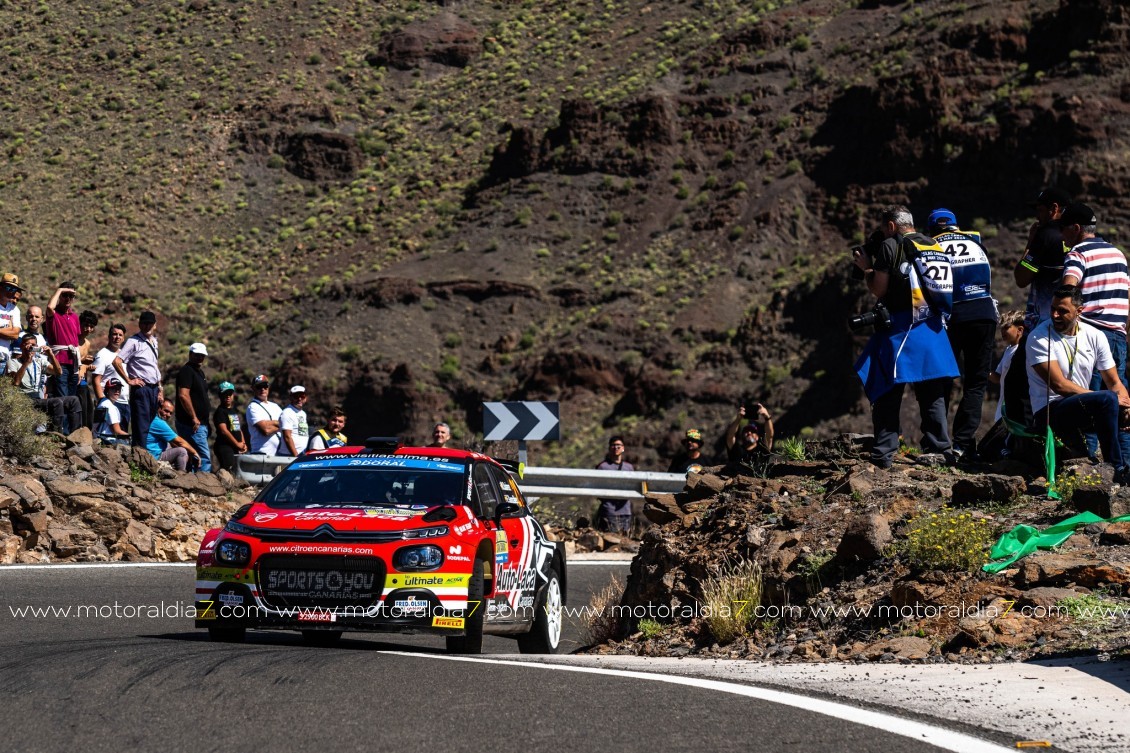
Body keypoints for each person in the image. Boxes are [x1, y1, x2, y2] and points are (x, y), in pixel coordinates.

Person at [853, 205, 960, 468]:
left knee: (887, 388)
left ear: (891, 226)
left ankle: (884, 452)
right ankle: (939, 448)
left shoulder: (891, 245)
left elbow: (879, 289)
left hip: (903, 328)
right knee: (931, 390)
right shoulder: (933, 246)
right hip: (933, 327)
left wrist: (867, 268)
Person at [1025, 285, 1130, 482]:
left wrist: (1126, 406)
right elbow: (1060, 385)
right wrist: (1108, 399)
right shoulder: (1039, 337)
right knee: (1107, 399)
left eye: (1062, 311)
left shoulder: (1095, 335)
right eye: (1053, 309)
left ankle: (1122, 467)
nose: (1055, 315)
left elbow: (1114, 381)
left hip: (1081, 406)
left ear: (1079, 311)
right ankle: (1117, 469)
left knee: (1116, 404)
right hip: (1049, 410)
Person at [1059, 202, 1130, 463]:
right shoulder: (1118, 254)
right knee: (1120, 401)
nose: (1061, 235)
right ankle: (1124, 467)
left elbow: (1069, 290)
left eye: (1063, 228)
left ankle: (1086, 466)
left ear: (1076, 228)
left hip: (1089, 335)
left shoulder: (1078, 254)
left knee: (1087, 401)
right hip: (1117, 334)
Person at [929, 208, 998, 461]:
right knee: (976, 383)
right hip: (983, 313)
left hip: (950, 316)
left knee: (941, 379)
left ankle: (937, 443)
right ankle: (963, 443)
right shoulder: (975, 242)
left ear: (933, 229)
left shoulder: (930, 245)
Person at [1015, 188, 1070, 329]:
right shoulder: (1078, 236)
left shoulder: (1046, 235)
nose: (1037, 217)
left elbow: (1021, 279)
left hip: (1046, 321)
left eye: (1040, 210)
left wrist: (1030, 242)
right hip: (1073, 321)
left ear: (1054, 208)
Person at [7, 333, 81, 433]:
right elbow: (15, 382)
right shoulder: (13, 362)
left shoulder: (39, 361)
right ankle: (56, 436)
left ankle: (76, 435)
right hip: (24, 399)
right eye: (27, 344)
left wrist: (51, 354)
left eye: (33, 345)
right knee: (56, 402)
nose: (30, 347)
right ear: (21, 346)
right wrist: (27, 362)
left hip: (38, 399)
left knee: (74, 400)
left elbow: (58, 372)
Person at [113, 311, 162, 447]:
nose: (147, 326)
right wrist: (129, 380)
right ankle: (139, 457)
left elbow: (154, 366)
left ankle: (143, 455)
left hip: (153, 388)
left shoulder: (154, 342)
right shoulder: (133, 341)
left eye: (150, 324)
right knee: (141, 424)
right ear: (140, 324)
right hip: (141, 388)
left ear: (155, 325)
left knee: (149, 422)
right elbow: (117, 361)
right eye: (144, 323)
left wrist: (160, 388)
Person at [173, 342, 212, 472]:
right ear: (190, 354)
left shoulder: (199, 373)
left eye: (202, 355)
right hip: (192, 424)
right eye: (197, 355)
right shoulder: (186, 371)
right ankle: (206, 486)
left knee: (194, 456)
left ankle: (194, 483)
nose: (200, 358)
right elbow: (183, 395)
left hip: (200, 423)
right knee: (203, 456)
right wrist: (194, 417)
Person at [44, 281, 81, 400]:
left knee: (72, 399)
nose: (68, 298)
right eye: (65, 295)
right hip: (59, 362)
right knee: (62, 399)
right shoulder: (54, 314)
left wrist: (79, 367)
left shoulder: (75, 317)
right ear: (59, 296)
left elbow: (76, 341)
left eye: (71, 296)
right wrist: (60, 289)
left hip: (73, 363)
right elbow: (50, 307)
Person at [92, 323, 130, 433]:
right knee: (110, 437)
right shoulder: (102, 354)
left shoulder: (124, 355)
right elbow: (96, 380)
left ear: (123, 338)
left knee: (122, 439)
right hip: (110, 402)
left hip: (124, 402)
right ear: (109, 336)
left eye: (120, 335)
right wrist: (103, 401)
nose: (117, 337)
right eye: (114, 334)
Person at [989, 310, 1025, 422]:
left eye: (1007, 327)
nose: (1002, 331)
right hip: (1003, 409)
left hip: (1015, 411)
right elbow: (998, 378)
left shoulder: (1023, 350)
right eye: (1001, 328)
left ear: (1020, 330)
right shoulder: (1009, 349)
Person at [595, 436, 635, 534]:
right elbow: (597, 487)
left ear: (623, 448)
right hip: (609, 511)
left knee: (625, 541)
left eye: (618, 445)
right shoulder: (602, 467)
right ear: (609, 448)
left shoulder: (629, 467)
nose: (616, 447)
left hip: (626, 511)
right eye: (613, 445)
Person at [147, 399, 200, 472]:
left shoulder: (153, 418)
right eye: (166, 411)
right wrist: (194, 452)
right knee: (182, 451)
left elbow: (173, 441)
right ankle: (182, 475)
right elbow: (180, 441)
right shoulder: (158, 422)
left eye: (170, 413)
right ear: (159, 408)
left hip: (151, 451)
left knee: (171, 444)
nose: (168, 414)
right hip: (154, 456)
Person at [212, 382, 248, 473]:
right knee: (228, 469)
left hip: (236, 447)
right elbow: (224, 431)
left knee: (237, 471)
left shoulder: (233, 410)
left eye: (230, 394)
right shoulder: (220, 412)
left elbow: (238, 428)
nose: (228, 396)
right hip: (225, 446)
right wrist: (237, 444)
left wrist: (243, 443)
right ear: (220, 395)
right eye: (225, 394)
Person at [246, 374, 283, 455]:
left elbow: (288, 425)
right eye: (259, 386)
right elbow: (266, 430)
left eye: (265, 386)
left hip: (279, 455)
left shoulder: (275, 406)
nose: (262, 389)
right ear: (253, 388)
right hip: (262, 454)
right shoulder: (253, 407)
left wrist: (271, 423)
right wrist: (280, 424)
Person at [75, 310, 99, 430]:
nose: (88, 329)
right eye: (86, 325)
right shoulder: (72, 339)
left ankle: (86, 430)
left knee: (88, 404)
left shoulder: (87, 343)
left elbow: (83, 362)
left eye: (91, 327)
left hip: (82, 378)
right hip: (71, 376)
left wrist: (88, 365)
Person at [94, 378, 131, 445]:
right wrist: (130, 437)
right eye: (114, 388)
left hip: (98, 438)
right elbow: (117, 431)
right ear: (107, 391)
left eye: (119, 389)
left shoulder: (102, 402)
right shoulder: (111, 407)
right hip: (107, 440)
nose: (117, 391)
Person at [278, 385, 310, 456]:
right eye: (296, 396)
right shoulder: (287, 413)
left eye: (302, 396)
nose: (299, 399)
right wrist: (296, 456)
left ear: (305, 398)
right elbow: (287, 437)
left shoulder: (303, 413)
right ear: (290, 398)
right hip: (289, 455)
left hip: (302, 454)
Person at [0, 273, 24, 366]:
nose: (11, 292)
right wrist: (8, 329)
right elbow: (12, 332)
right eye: (8, 288)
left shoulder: (14, 309)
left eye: (14, 289)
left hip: (3, 360)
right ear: (0, 287)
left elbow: (15, 334)